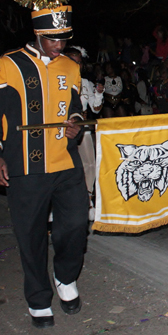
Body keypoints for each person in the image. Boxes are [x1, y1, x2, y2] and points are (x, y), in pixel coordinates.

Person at [0, 0, 89, 328]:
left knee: (75, 226)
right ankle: (38, 298)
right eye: (53, 40)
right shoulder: (8, 65)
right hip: (24, 166)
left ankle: (66, 276)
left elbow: (76, 106)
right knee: (30, 236)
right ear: (38, 33)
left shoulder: (71, 67)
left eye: (64, 39)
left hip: (65, 162)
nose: (59, 46)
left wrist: (75, 122)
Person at [64, 46, 104, 220]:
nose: (77, 65)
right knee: (65, 167)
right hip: (64, 131)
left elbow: (96, 109)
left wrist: (99, 94)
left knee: (89, 165)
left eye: (79, 62)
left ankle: (88, 201)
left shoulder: (86, 83)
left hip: (84, 131)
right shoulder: (59, 80)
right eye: (73, 61)